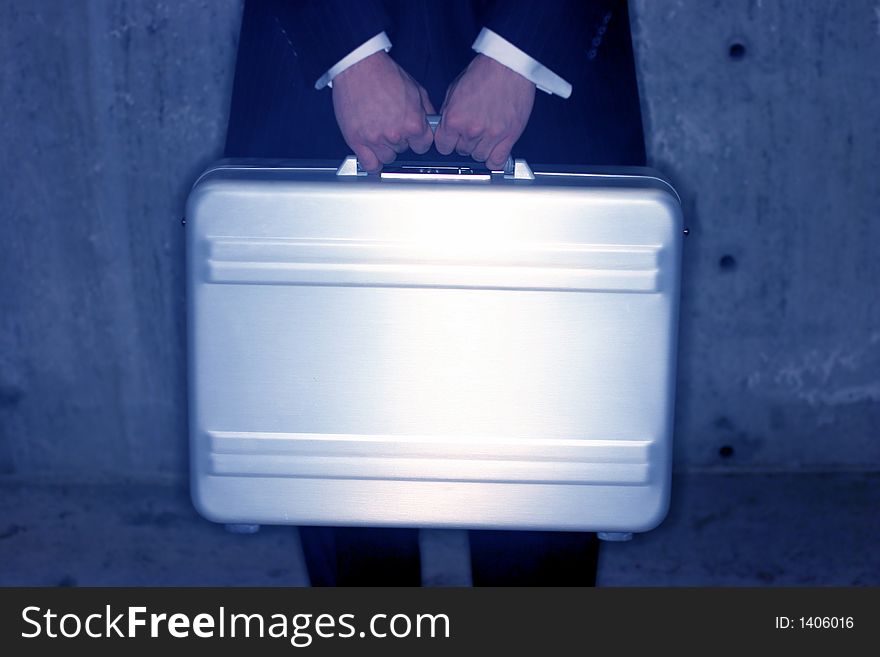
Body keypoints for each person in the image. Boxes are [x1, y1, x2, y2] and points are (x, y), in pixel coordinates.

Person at [224, 0, 646, 586]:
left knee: (546, 448)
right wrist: (352, 54)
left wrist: (517, 53)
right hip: (320, 49)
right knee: (338, 444)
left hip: (545, 50)